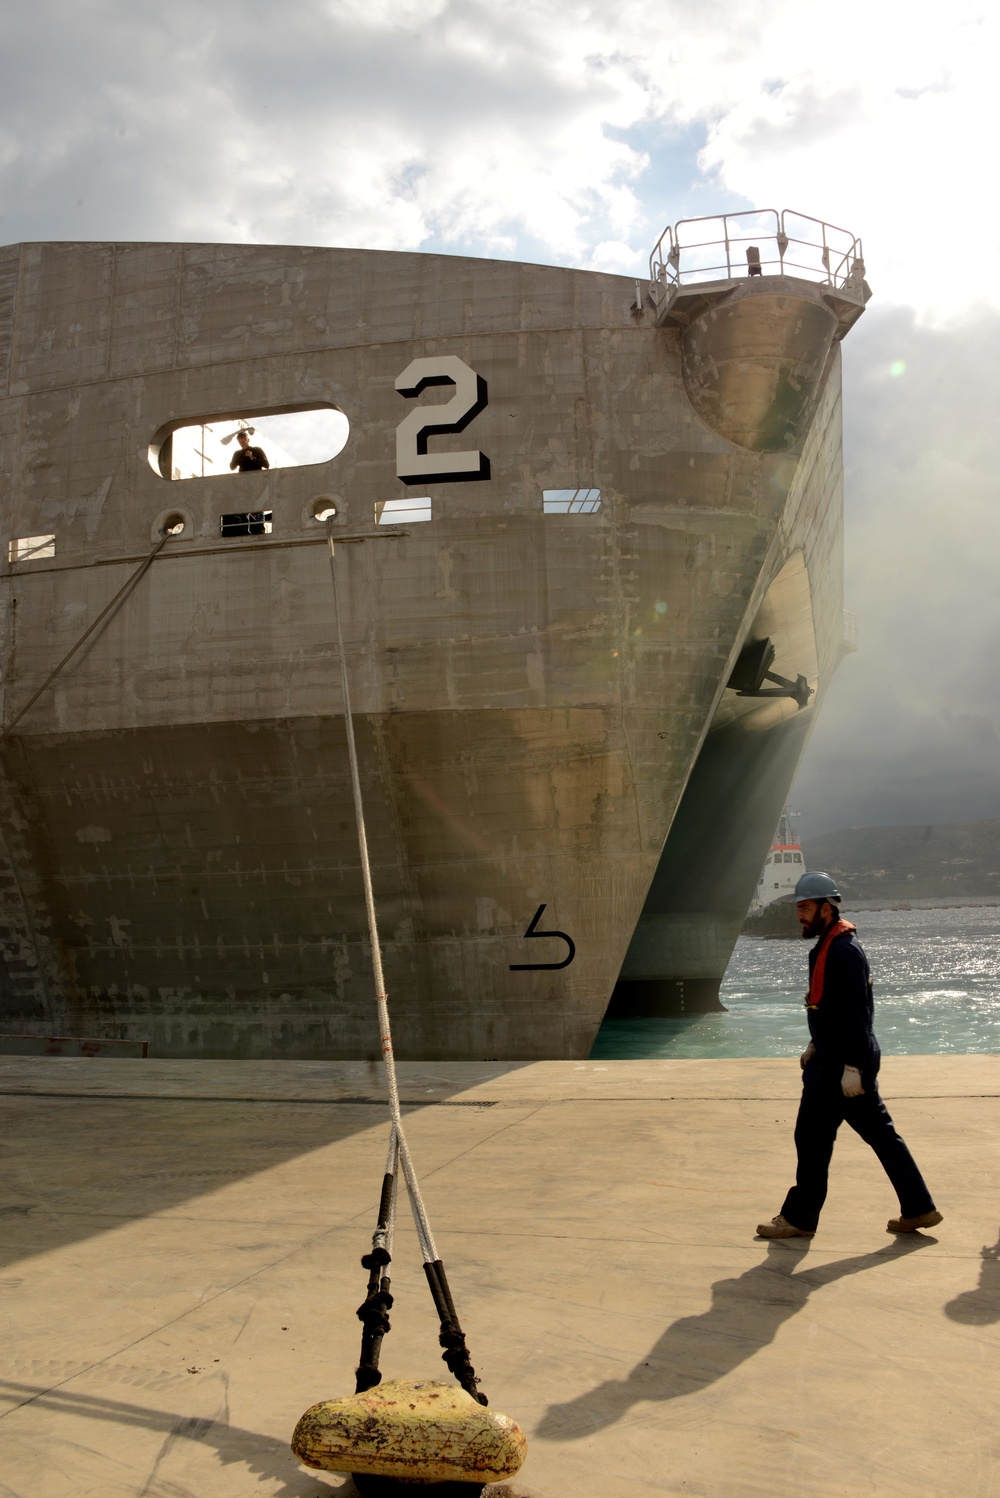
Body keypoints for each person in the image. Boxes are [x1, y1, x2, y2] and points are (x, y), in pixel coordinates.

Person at [756, 870, 942, 1240]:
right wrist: (815, 1042)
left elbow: (858, 1013)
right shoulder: (832, 945)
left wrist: (852, 1067)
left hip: (840, 1066)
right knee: (881, 1136)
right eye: (799, 908)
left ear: (827, 908)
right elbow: (830, 1007)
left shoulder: (842, 951)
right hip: (837, 1057)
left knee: (811, 1138)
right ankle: (919, 1207)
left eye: (806, 907)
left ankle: (800, 1218)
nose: (800, 915)